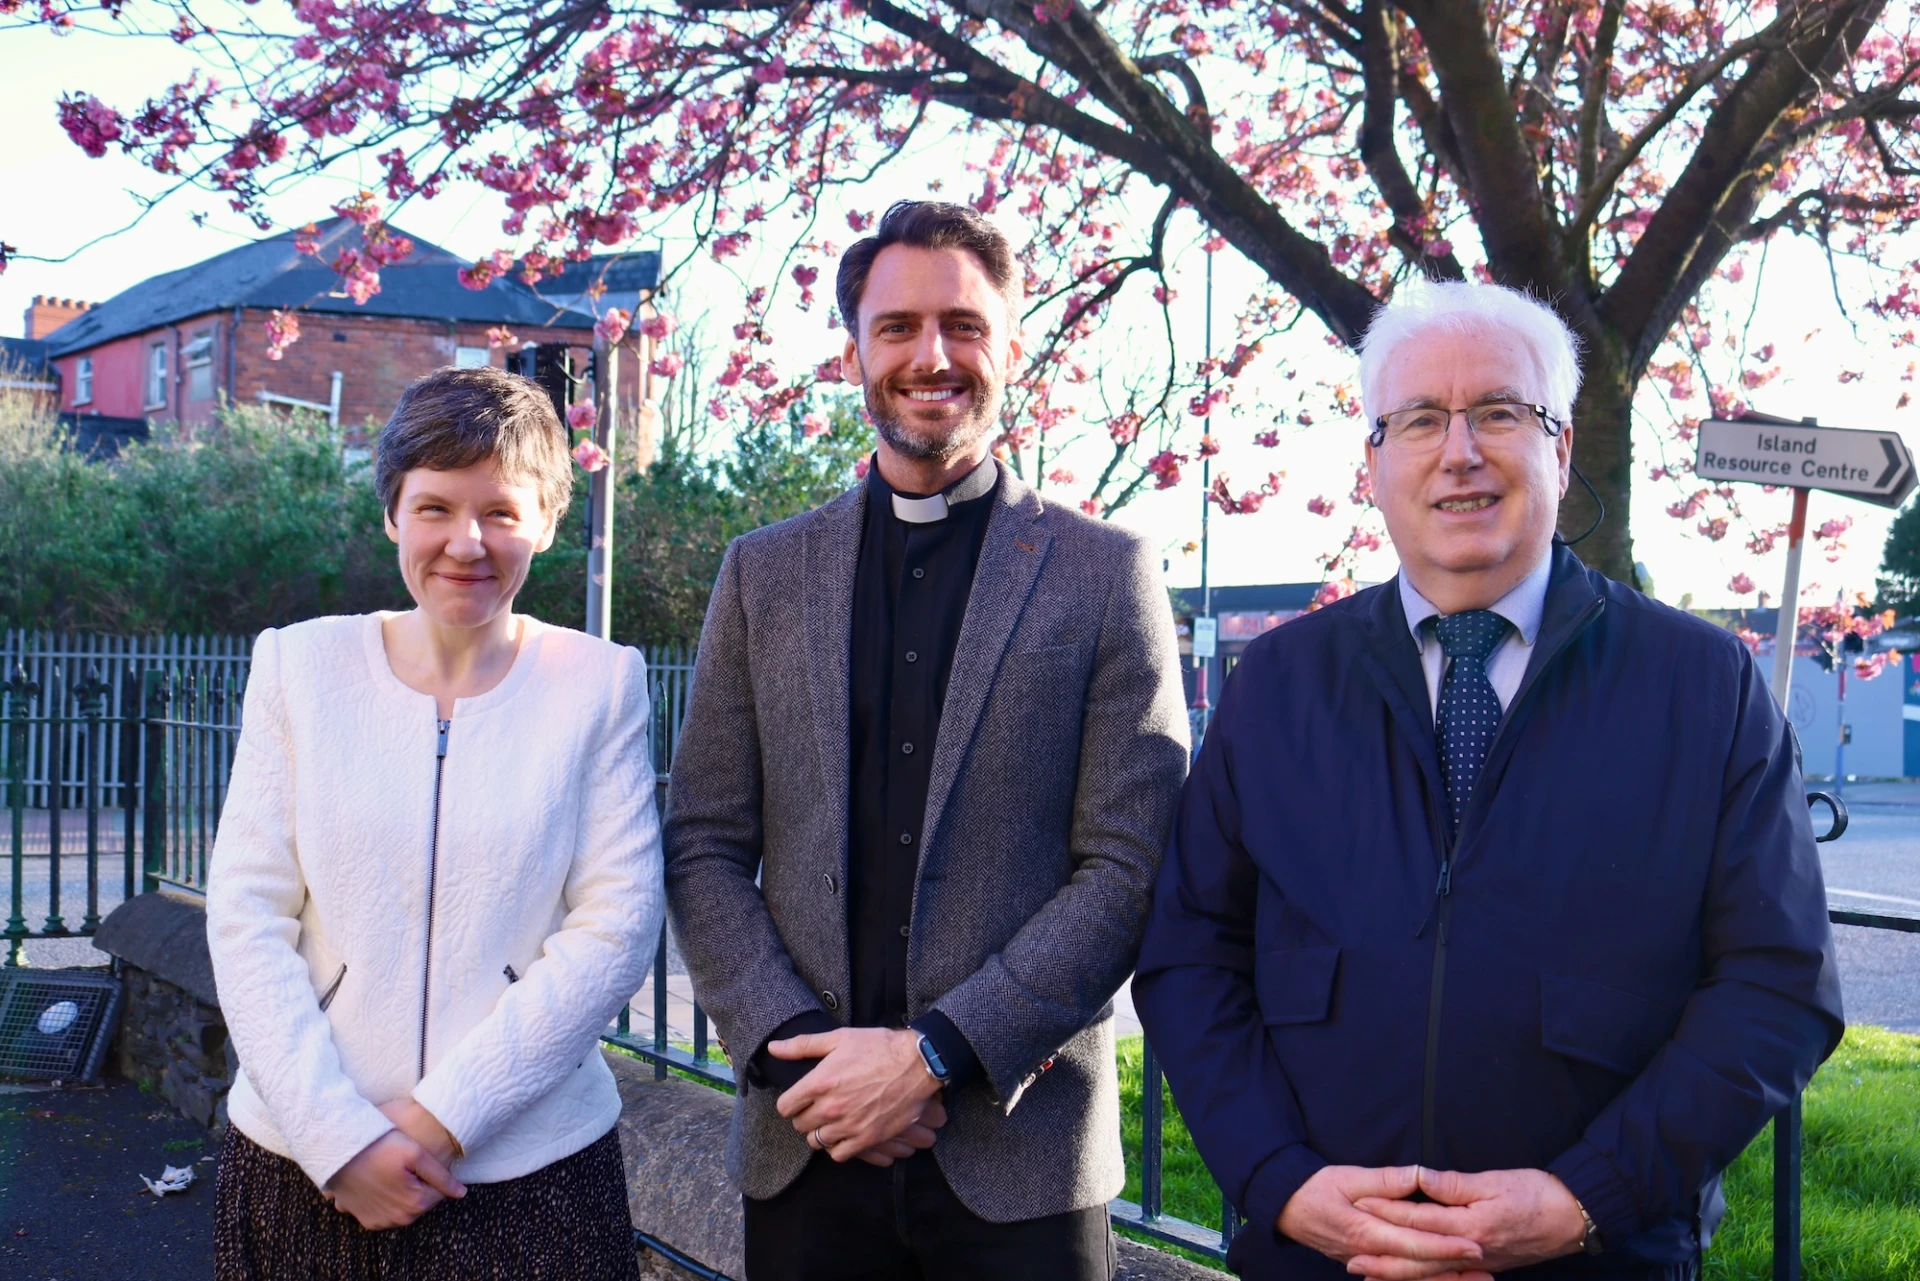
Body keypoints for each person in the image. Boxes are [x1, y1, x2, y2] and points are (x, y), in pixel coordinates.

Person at [1133, 282, 1844, 1281]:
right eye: (1420, 419)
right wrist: (1280, 1180)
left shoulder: (1701, 685)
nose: (1459, 452)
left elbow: (1777, 988)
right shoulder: (1280, 683)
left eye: (1499, 413)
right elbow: (1190, 955)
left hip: (1600, 1257)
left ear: (1558, 448)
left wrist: (1587, 1198)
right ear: (1373, 464)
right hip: (1319, 1256)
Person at [664, 200, 1189, 1281]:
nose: (930, 356)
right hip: (805, 1140)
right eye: (897, 326)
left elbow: (1129, 866)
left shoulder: (1106, 574)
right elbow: (704, 838)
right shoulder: (763, 573)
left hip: (1021, 1161)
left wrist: (940, 1055)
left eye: (962, 324)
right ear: (855, 348)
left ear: (1009, 346)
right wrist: (792, 1053)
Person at [206, 366, 663, 1280]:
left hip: (532, 1170)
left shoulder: (600, 683)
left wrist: (441, 1118)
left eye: (501, 509)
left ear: (544, 519)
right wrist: (340, 1137)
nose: (467, 542)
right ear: (393, 515)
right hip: (306, 1163)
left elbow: (615, 925)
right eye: (435, 507)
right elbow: (248, 913)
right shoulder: (299, 667)